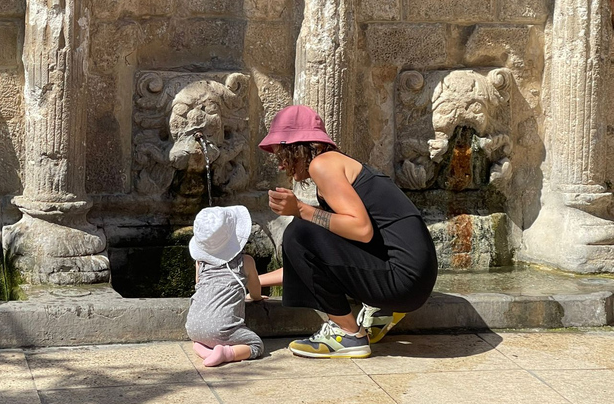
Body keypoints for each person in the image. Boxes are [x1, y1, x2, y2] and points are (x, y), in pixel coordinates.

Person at [257, 105, 438, 358]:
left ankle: (348, 334)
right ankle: (380, 310)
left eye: (281, 156)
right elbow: (321, 260)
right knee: (309, 230)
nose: (280, 166)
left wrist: (299, 208)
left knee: (298, 232)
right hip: (415, 282)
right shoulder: (343, 166)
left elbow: (361, 230)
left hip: (404, 280)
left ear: (296, 148)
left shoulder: (323, 164)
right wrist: (255, 281)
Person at [185, 205, 266, 367]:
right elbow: (255, 289)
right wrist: (255, 297)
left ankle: (203, 348)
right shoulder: (246, 262)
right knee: (256, 345)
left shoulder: (200, 262)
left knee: (205, 336)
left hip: (193, 328)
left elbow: (199, 286)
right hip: (223, 330)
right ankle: (226, 353)